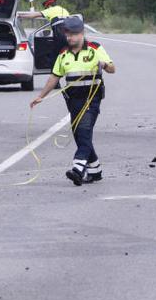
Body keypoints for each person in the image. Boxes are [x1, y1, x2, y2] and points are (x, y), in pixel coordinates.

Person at [30, 17, 116, 186]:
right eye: (68, 34)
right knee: (79, 135)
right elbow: (55, 77)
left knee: (84, 131)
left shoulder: (95, 48)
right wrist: (41, 96)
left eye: (74, 34)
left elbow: (112, 69)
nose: (70, 38)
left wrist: (104, 64)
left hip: (92, 98)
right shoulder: (63, 54)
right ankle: (95, 171)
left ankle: (77, 169)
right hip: (73, 101)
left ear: (82, 33)